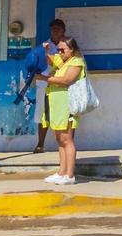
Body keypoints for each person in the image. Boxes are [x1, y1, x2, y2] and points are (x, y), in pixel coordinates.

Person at [37, 36, 87, 185]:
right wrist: (45, 51)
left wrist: (45, 79)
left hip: (67, 106)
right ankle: (62, 172)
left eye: (62, 50)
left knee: (67, 139)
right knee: (60, 140)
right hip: (56, 105)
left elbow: (66, 80)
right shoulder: (62, 60)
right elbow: (50, 59)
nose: (59, 52)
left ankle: (70, 175)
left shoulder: (76, 62)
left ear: (72, 50)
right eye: (58, 50)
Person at [29, 18, 68, 153]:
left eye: (58, 29)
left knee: (62, 114)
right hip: (44, 83)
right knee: (42, 113)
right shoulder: (44, 45)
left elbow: (62, 62)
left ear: (63, 30)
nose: (55, 31)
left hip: (61, 83)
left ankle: (64, 144)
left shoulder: (67, 46)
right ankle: (40, 144)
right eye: (53, 29)